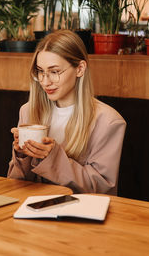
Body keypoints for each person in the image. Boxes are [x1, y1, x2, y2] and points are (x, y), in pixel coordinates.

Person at [8, 30, 126, 195]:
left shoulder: (108, 121)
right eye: (40, 71)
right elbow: (16, 184)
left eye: (55, 72)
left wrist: (54, 158)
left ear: (80, 69)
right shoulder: (28, 111)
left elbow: (102, 188)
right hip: (32, 209)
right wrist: (22, 156)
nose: (45, 81)